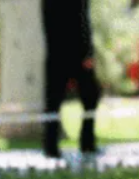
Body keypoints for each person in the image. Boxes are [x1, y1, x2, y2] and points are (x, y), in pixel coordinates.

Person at [42, 0, 102, 159]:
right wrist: (87, 53)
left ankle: (52, 146)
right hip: (75, 53)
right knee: (88, 96)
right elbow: (82, 20)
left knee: (55, 100)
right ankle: (84, 142)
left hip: (56, 52)